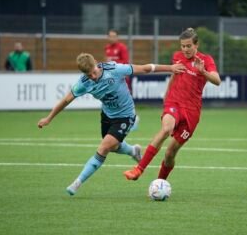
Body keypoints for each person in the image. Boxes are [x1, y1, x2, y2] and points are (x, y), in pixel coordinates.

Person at [37, 53, 185, 196]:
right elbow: (66, 100)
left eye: (94, 72)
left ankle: (77, 183)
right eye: (89, 75)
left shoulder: (114, 70)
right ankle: (133, 151)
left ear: (96, 63)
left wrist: (170, 68)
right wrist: (49, 118)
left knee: (104, 147)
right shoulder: (83, 83)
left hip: (126, 116)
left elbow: (145, 68)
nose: (93, 77)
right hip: (107, 116)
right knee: (113, 146)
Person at [123, 28, 221, 181]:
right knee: (166, 128)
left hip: (192, 112)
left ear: (196, 45)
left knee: (170, 154)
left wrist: (203, 72)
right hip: (174, 102)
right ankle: (139, 169)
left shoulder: (205, 60)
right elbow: (175, 75)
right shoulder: (177, 57)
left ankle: (160, 183)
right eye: (183, 46)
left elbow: (217, 80)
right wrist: (167, 93)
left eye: (188, 46)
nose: (185, 49)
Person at [105, 29, 140, 131]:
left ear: (117, 37)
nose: (112, 38)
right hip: (111, 79)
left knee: (125, 99)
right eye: (110, 36)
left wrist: (112, 62)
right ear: (107, 37)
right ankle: (126, 118)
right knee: (116, 100)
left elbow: (125, 62)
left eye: (114, 36)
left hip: (121, 78)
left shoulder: (122, 48)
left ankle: (133, 117)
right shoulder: (107, 48)